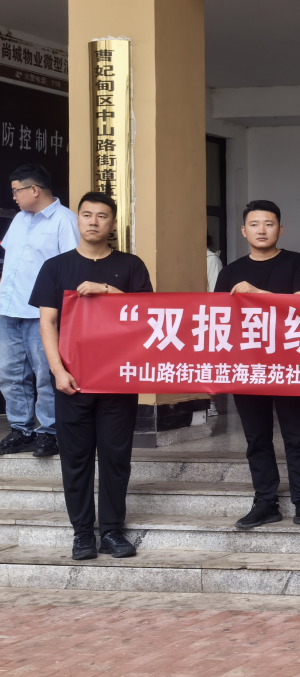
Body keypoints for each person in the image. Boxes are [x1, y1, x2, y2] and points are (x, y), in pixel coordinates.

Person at [33, 192, 151, 560]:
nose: (93, 221)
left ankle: (112, 531)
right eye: (87, 215)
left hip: (118, 379)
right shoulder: (56, 267)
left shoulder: (131, 266)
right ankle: (83, 534)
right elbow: (47, 323)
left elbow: (147, 316)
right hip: (72, 381)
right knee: (76, 459)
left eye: (102, 216)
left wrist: (108, 291)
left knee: (116, 458)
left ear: (112, 224)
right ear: (78, 220)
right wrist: (57, 371)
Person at [214, 200, 300, 530]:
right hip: (247, 365)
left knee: (297, 434)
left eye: (268, 223)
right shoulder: (230, 272)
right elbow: (218, 318)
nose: (261, 230)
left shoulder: (296, 262)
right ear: (243, 230)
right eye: (254, 224)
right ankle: (265, 502)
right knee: (257, 437)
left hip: (289, 364)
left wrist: (257, 293)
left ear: (280, 229)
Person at [0, 164, 78, 458]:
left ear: (33, 190)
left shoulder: (65, 221)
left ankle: (50, 432)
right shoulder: (20, 220)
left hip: (42, 314)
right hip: (9, 309)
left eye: (16, 191)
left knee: (46, 374)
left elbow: (71, 269)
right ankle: (21, 430)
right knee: (10, 374)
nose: (14, 197)